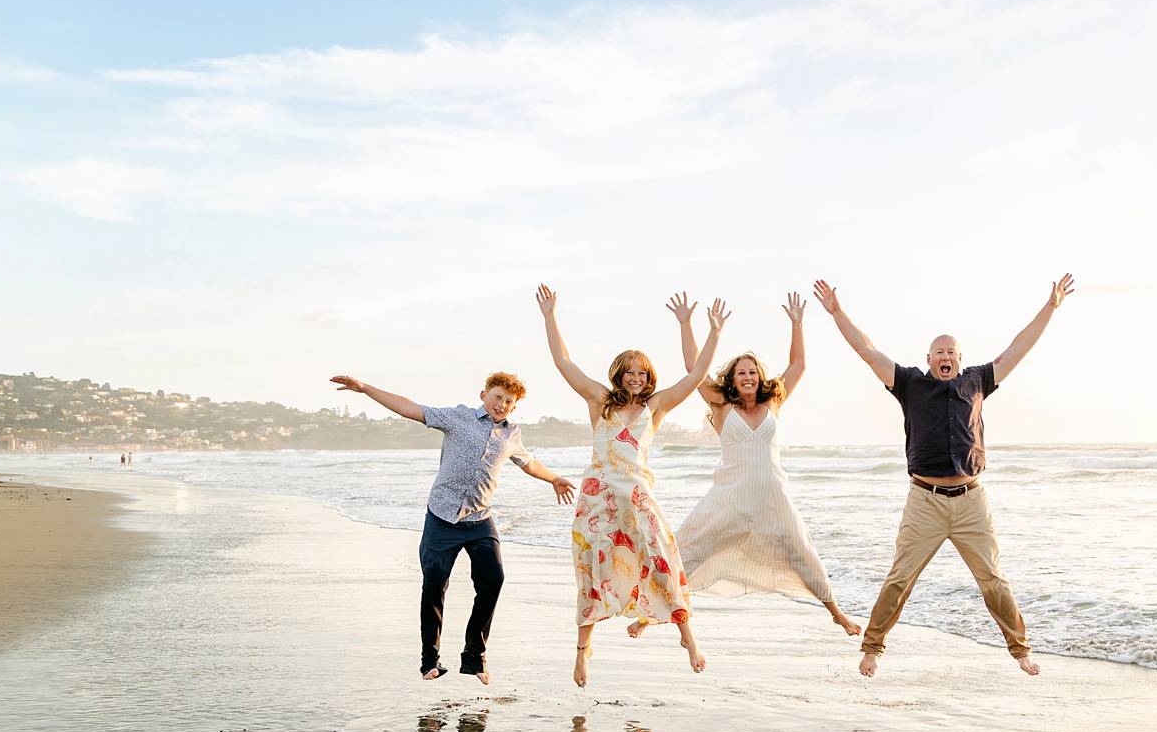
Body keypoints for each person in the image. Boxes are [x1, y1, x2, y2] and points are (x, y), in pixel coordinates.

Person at [812, 273, 1075, 678]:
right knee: (900, 577)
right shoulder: (909, 384)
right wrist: (837, 312)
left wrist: (1051, 306)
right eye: (939, 352)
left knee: (993, 579)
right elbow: (867, 350)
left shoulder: (977, 381)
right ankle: (872, 648)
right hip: (925, 501)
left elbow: (1017, 348)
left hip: (971, 500)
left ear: (959, 358)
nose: (945, 356)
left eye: (951, 351)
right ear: (930, 359)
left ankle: (1020, 649)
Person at [535, 283, 728, 687]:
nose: (637, 378)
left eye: (643, 373)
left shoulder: (654, 407)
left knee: (662, 561)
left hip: (638, 499)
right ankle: (582, 652)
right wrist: (550, 316)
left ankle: (688, 638)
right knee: (591, 572)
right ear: (619, 374)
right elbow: (564, 362)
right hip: (598, 501)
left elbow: (695, 376)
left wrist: (706, 330)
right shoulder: (599, 399)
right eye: (630, 371)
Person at [328, 370, 575, 684]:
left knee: (493, 580)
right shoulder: (457, 418)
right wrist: (364, 388)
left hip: (480, 520)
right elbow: (409, 408)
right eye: (498, 397)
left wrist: (554, 478)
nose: (502, 405)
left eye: (509, 402)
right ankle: (429, 661)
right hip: (442, 518)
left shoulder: (511, 435)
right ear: (483, 394)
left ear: (514, 408)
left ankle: (474, 657)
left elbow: (528, 462)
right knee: (434, 585)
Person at [667, 290, 862, 635]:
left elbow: (798, 365)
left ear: (759, 377)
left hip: (773, 498)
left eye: (752, 372)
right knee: (687, 551)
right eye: (741, 372)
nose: (747, 377)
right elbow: (692, 369)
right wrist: (688, 325)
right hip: (729, 498)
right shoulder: (722, 406)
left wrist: (797, 324)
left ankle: (836, 612)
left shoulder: (774, 402)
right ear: (733, 378)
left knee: (802, 552)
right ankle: (656, 611)